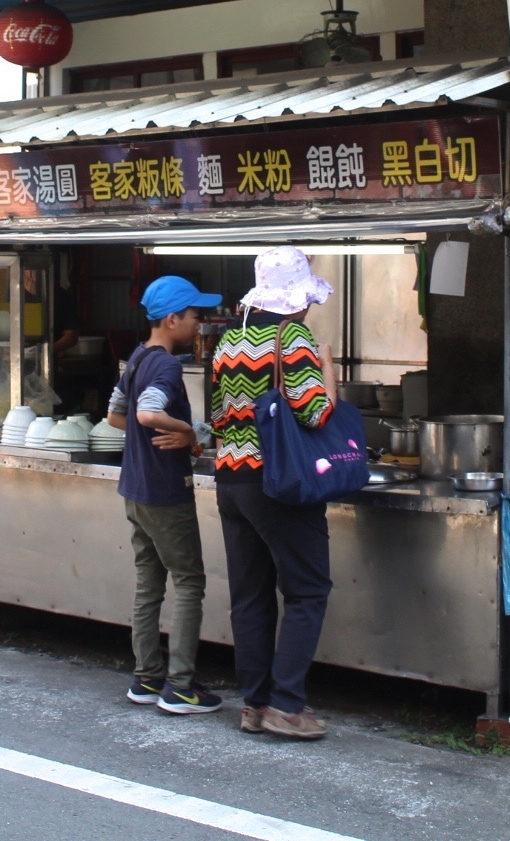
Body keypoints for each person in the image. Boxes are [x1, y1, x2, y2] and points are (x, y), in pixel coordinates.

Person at [209, 245, 337, 740]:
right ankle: (286, 705)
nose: (308, 308)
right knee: (307, 590)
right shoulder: (293, 337)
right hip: (279, 482)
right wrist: (329, 380)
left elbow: (219, 417)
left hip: (232, 481)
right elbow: (313, 412)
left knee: (251, 596)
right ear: (293, 300)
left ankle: (254, 705)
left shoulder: (227, 343)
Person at [108, 275, 224, 715]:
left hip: (135, 489)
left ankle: (146, 677)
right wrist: (187, 433)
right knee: (190, 581)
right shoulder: (168, 366)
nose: (200, 323)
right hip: (164, 492)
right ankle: (180, 687)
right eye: (195, 316)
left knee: (148, 582)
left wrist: (160, 432)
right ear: (172, 319)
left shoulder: (138, 358)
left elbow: (116, 417)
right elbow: (146, 412)